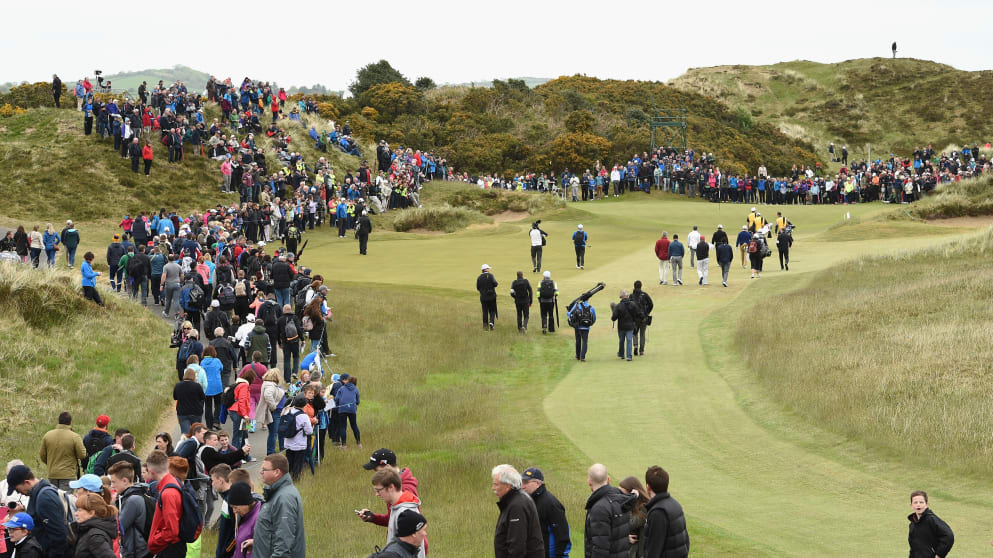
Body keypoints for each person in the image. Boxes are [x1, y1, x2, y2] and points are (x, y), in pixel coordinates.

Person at [244, 454, 306, 558]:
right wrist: (258, 542)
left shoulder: (284, 499)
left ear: (277, 472)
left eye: (264, 469)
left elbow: (284, 544)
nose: (261, 472)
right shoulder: (276, 494)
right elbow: (273, 530)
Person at [5, 464, 71, 558]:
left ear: (27, 482)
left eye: (18, 489)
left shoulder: (45, 498)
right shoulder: (38, 493)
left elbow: (59, 535)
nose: (19, 493)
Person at [358, 469, 425, 557]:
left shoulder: (405, 512)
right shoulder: (396, 507)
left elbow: (416, 548)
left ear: (391, 487)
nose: (377, 494)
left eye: (378, 490)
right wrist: (373, 517)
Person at [491, 464, 544, 558]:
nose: (493, 488)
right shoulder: (515, 500)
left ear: (507, 486)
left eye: (496, 484)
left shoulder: (517, 506)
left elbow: (517, 547)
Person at [585, 463, 635, 558]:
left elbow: (600, 549)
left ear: (589, 482)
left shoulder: (599, 509)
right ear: (608, 479)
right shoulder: (621, 499)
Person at [521, 467, 571, 558]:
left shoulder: (550, 503)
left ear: (538, 483)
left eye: (526, 482)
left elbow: (563, 536)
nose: (522, 486)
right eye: (522, 482)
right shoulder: (529, 501)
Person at [145, 451, 185, 558]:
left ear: (151, 471)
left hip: (170, 549)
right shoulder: (172, 483)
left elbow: (172, 530)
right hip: (170, 546)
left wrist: (154, 542)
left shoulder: (168, 493)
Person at [642, 465, 689, 558]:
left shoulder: (658, 513)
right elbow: (686, 542)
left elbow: (654, 550)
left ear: (648, 487)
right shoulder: (675, 504)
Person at [107, 463, 149, 558]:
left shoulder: (132, 501)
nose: (112, 486)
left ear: (125, 481)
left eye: (114, 482)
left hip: (136, 552)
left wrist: (111, 505)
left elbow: (117, 527)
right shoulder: (133, 495)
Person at [39, 411, 86, 491]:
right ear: (70, 422)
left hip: (52, 474)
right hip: (68, 474)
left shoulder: (47, 435)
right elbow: (82, 455)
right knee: (65, 500)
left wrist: (51, 462)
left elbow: (42, 455)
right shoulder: (74, 436)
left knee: (54, 499)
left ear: (59, 421)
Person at [70, 493, 118, 558]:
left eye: (79, 510)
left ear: (91, 513)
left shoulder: (95, 536)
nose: (76, 514)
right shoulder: (87, 531)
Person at [908, 491, 953, 558]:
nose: (918, 505)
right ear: (911, 505)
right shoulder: (913, 524)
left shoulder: (931, 519)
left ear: (926, 504)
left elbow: (948, 536)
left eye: (921, 502)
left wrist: (939, 555)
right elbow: (913, 547)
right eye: (915, 502)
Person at [281, 395, 314, 480]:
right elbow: (309, 431)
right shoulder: (304, 416)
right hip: (299, 444)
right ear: (304, 404)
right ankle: (296, 479)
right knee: (298, 463)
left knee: (289, 463)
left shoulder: (287, 412)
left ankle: (288, 479)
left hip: (288, 443)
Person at [227, 482, 261, 558]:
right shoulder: (243, 515)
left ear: (245, 503)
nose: (234, 511)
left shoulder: (259, 518)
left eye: (235, 507)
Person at [619, 477, 649, 558]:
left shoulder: (644, 507)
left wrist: (630, 501)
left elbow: (629, 523)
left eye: (622, 493)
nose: (619, 495)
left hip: (638, 553)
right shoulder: (624, 504)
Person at [611, 291, 643, 362]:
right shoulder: (633, 304)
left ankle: (621, 354)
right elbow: (638, 313)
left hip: (621, 327)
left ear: (621, 297)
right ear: (627, 296)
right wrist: (642, 318)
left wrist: (613, 312)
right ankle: (629, 356)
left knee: (621, 341)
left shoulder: (618, 306)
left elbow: (613, 318)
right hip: (630, 326)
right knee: (629, 341)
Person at [334, 376, 361, 449]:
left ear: (348, 381)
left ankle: (344, 445)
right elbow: (358, 401)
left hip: (342, 409)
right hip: (352, 409)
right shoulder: (356, 389)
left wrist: (337, 405)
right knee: (354, 425)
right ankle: (358, 443)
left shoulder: (342, 388)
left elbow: (336, 398)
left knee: (343, 426)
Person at [568, 295, 596, 362]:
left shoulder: (577, 305)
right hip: (586, 327)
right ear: (588, 299)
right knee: (585, 341)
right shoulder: (591, 307)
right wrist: (590, 324)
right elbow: (594, 318)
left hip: (578, 326)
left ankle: (578, 355)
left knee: (578, 340)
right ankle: (582, 357)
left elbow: (570, 314)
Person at [630, 281, 653, 356]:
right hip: (644, 318)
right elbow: (651, 304)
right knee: (642, 334)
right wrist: (647, 313)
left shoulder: (631, 296)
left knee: (634, 333)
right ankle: (641, 350)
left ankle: (635, 346)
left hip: (634, 318)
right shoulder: (645, 295)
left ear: (634, 286)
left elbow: (629, 306)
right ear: (641, 286)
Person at [477, 264, 498, 331]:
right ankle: (491, 322)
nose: (489, 270)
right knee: (493, 310)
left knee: (485, 312)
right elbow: (495, 284)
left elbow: (478, 287)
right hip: (491, 297)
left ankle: (485, 328)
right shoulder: (491, 275)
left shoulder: (479, 277)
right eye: (488, 268)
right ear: (485, 269)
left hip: (483, 297)